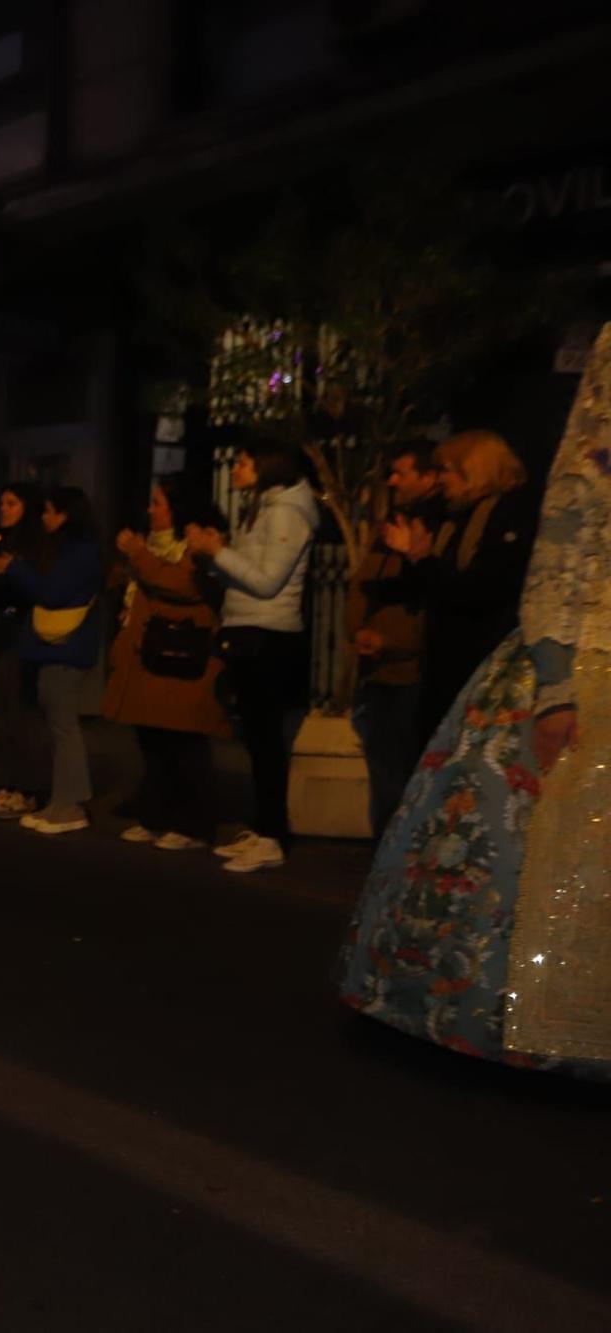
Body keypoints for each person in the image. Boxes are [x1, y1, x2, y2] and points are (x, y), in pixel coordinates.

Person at [338, 324, 609, 1077]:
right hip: (573, 656)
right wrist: (556, 681)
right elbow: (556, 561)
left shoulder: (499, 516)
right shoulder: (566, 480)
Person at [186, 441, 319, 873]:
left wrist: (217, 553)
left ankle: (273, 837)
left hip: (269, 636)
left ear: (267, 466)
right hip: (249, 630)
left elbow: (266, 582)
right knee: (257, 740)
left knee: (266, 741)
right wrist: (215, 555)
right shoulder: (264, 506)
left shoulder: (285, 512)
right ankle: (264, 829)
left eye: (242, 463)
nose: (235, 470)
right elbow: (246, 572)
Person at [382, 430, 538, 749]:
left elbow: (481, 589)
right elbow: (431, 588)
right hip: (443, 666)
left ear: (474, 470)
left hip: (480, 669)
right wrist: (415, 559)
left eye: (447, 471)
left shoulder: (507, 515)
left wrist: (422, 559)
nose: (440, 481)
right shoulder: (453, 519)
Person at [103, 480, 231, 849]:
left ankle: (194, 824)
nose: (150, 510)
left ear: (177, 508)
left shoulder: (199, 542)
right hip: (150, 657)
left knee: (184, 744)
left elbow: (182, 585)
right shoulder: (149, 547)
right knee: (154, 742)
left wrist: (139, 556)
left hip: (182, 657)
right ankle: (157, 815)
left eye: (157, 503)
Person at [0, 487, 103, 835]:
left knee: (63, 726)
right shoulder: (66, 548)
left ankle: (69, 805)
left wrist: (16, 569)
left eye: (51, 511)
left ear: (67, 515)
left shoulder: (78, 550)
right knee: (58, 725)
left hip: (65, 647)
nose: (44, 517)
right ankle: (63, 800)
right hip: (56, 647)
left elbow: (52, 592)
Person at [347, 444, 443, 835]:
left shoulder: (432, 528)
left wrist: (393, 643)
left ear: (428, 477)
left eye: (401, 472)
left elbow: (428, 602)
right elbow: (361, 586)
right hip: (377, 671)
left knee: (404, 772)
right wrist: (359, 632)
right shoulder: (390, 528)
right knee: (382, 770)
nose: (392, 481)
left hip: (409, 674)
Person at [0, 481, 50, 819]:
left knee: (22, 711)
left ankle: (30, 787)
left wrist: (8, 573)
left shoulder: (34, 545)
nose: (3, 509)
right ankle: (9, 783)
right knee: (2, 711)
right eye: (1, 502)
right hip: (0, 633)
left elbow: (31, 589)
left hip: (22, 632)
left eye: (12, 503)